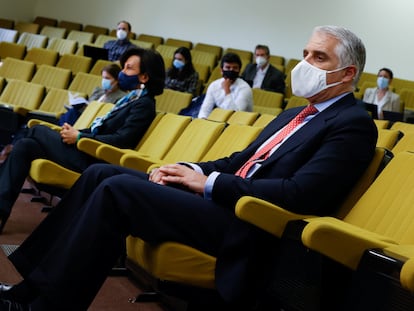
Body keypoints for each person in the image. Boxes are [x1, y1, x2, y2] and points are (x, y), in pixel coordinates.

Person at [0, 25, 378, 311]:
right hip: (225, 201)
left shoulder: (354, 124)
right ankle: (28, 287)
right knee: (101, 173)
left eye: (319, 58)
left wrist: (208, 183)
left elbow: (301, 194)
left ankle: (44, 305)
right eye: (306, 53)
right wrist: (185, 167)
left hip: (250, 223)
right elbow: (239, 162)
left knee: (119, 190)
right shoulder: (295, 113)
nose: (305, 64)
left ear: (348, 74)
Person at [0, 47, 165, 234]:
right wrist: (77, 131)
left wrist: (79, 137)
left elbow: (122, 140)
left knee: (36, 130)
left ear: (144, 77)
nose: (122, 73)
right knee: (25, 145)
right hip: (86, 149)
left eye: (128, 68)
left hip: (93, 160)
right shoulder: (131, 99)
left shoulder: (144, 104)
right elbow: (101, 129)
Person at [59, 63, 127, 126]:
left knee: (71, 114)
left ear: (117, 80)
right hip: (84, 117)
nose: (104, 81)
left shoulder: (121, 97)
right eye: (103, 78)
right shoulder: (98, 91)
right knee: (72, 112)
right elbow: (88, 106)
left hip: (96, 123)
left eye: (107, 78)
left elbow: (110, 116)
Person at [197, 52, 253, 119]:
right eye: (228, 67)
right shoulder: (214, 85)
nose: (231, 70)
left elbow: (235, 115)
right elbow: (205, 110)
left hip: (239, 124)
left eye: (235, 68)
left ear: (239, 71)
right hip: (218, 121)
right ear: (221, 70)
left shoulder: (245, 88)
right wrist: (202, 120)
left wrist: (227, 90)